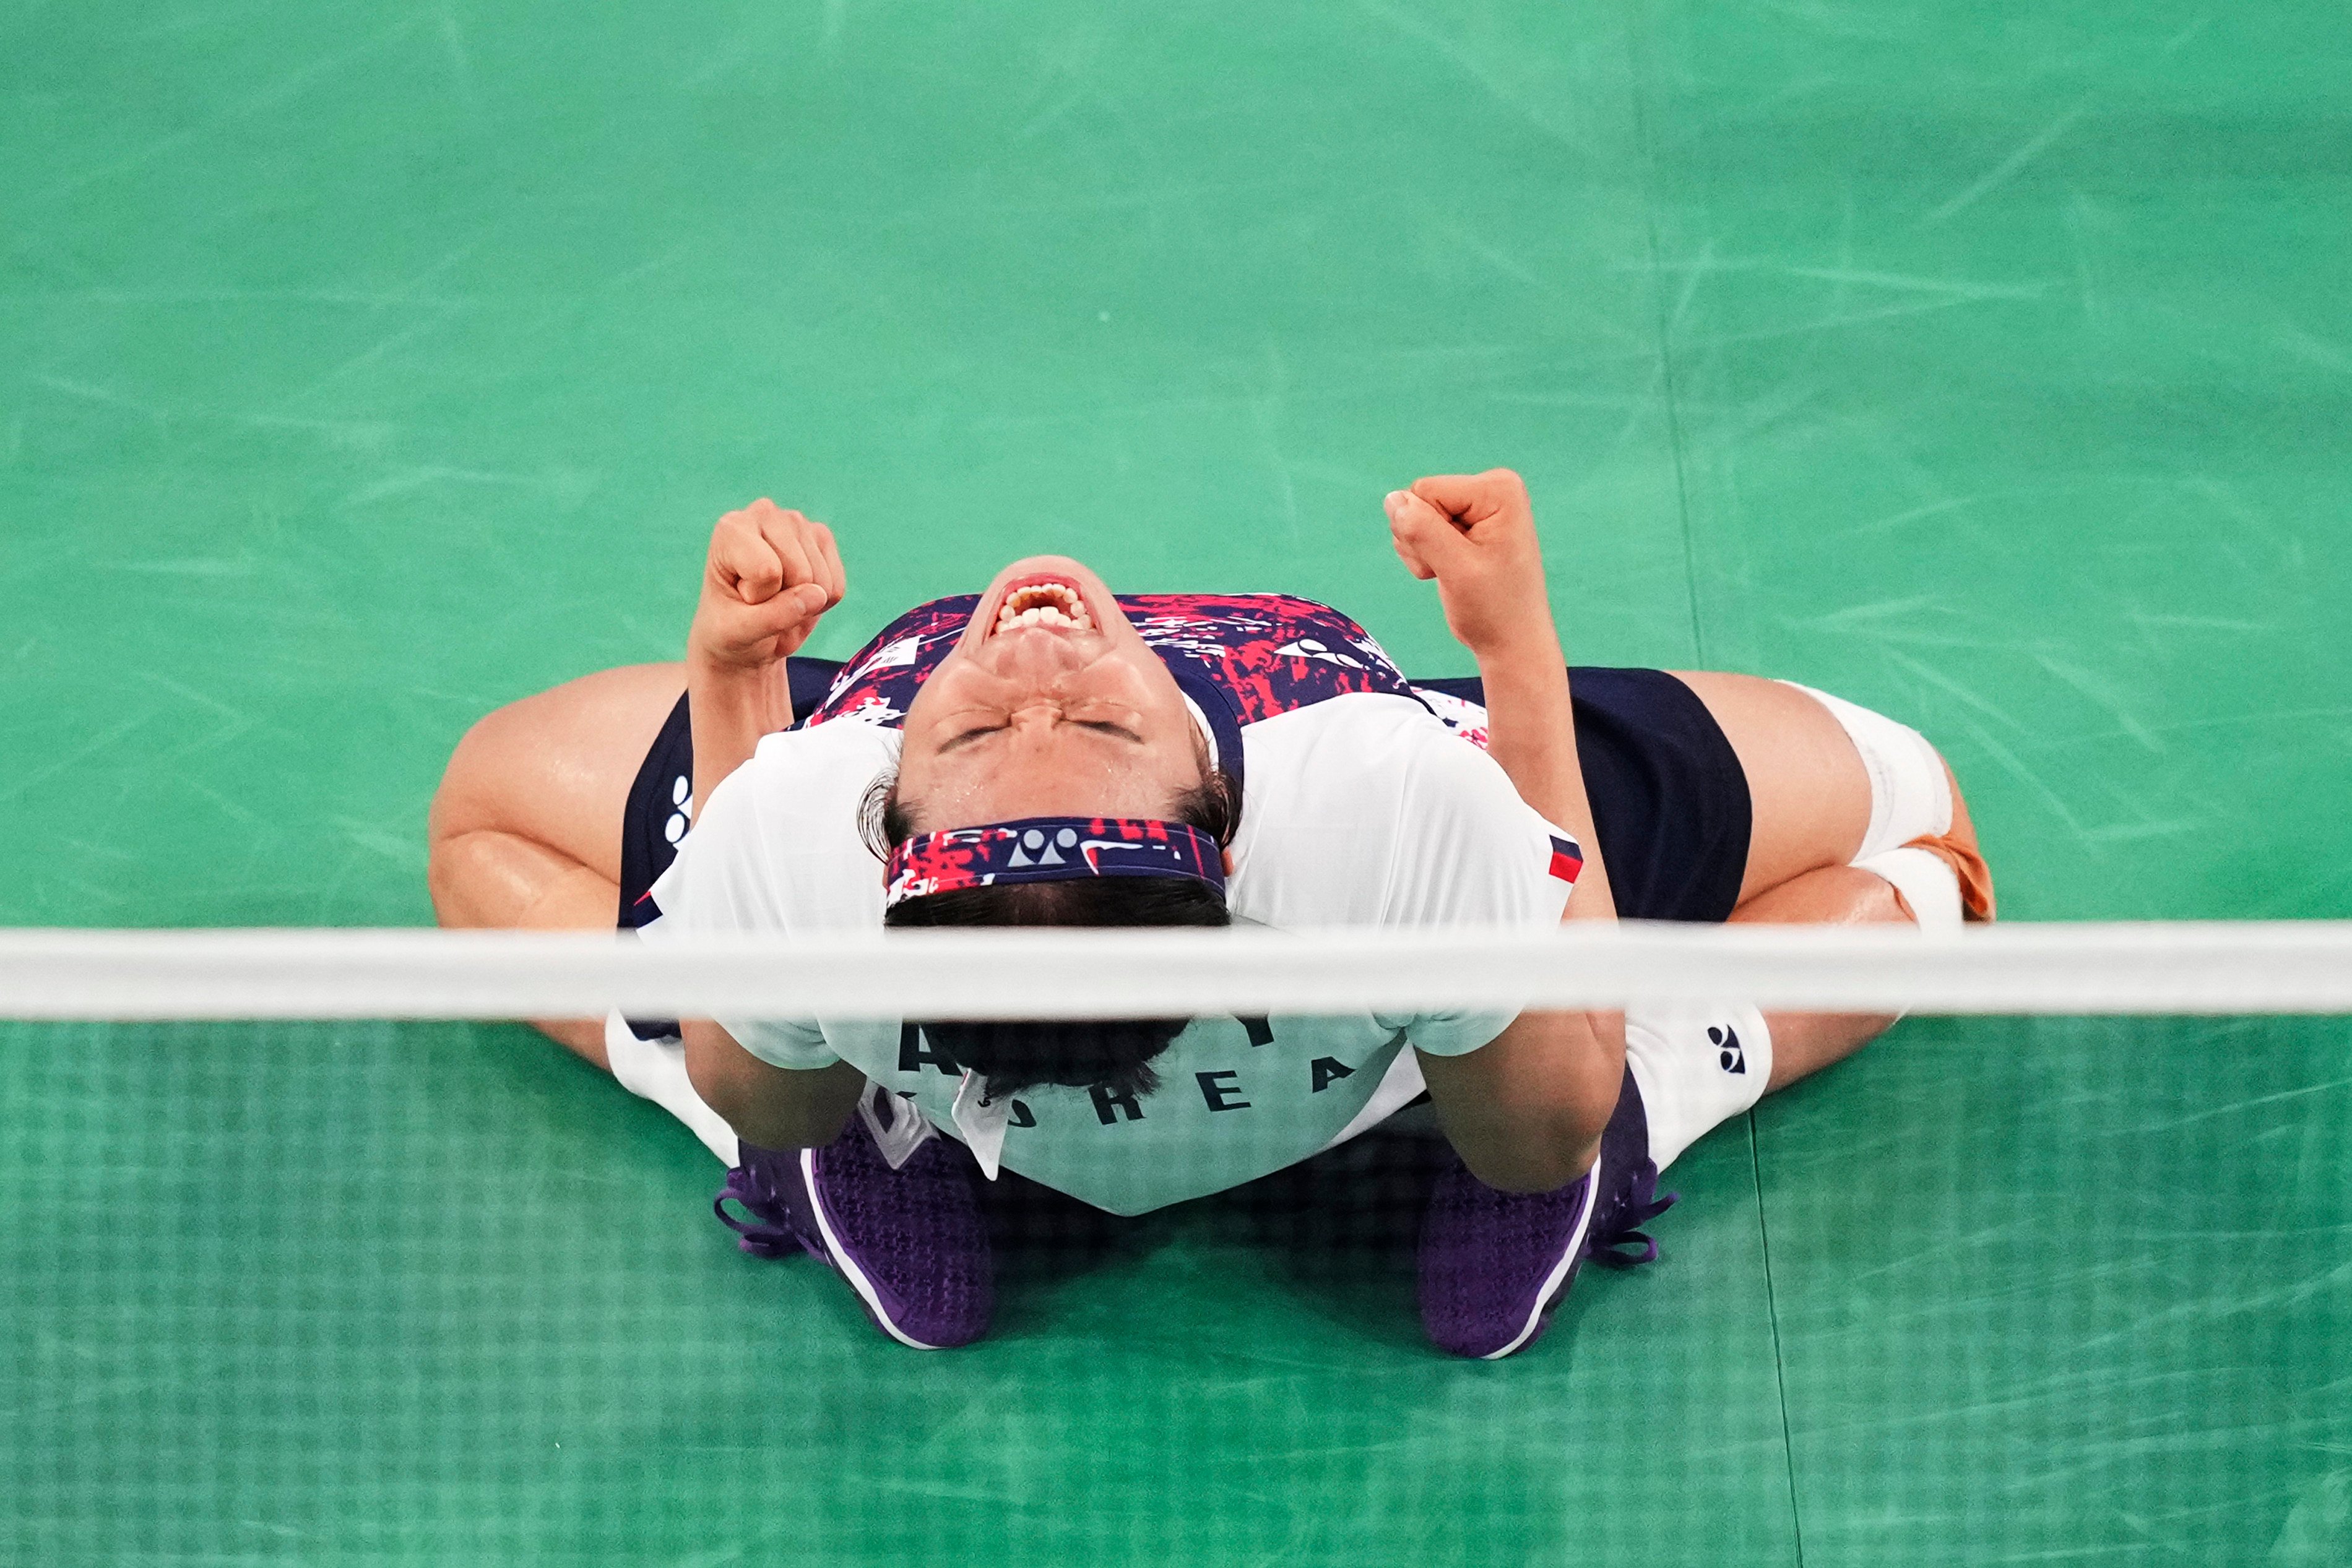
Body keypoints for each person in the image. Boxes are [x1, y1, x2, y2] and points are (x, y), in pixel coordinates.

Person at [428, 472, 1992, 1358]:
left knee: (490, 840)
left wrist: (734, 684)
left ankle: (857, 1154)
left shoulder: (816, 814)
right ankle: (1655, 1083)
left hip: (1307, 933)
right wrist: (1516, 656)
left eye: (988, 728)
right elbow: (1538, 1109)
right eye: (1030, 728)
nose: (1035, 671)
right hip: (1427, 933)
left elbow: (740, 1043)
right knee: (1920, 845)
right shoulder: (1393, 801)